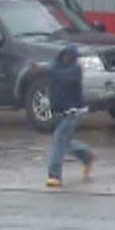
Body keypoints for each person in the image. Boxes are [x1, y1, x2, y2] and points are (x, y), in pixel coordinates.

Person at [45, 44, 95, 188]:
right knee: (65, 143)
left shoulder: (76, 70)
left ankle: (54, 176)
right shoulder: (55, 66)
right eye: (64, 56)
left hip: (75, 113)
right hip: (59, 113)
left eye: (70, 57)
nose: (67, 59)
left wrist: (46, 70)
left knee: (58, 139)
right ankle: (87, 156)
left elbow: (63, 77)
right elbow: (52, 72)